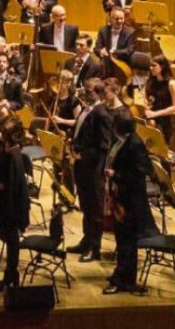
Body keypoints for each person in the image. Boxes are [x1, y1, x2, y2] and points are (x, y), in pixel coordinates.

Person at [103, 113, 156, 294]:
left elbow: (140, 173)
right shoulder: (121, 140)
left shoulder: (135, 144)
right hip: (120, 197)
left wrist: (115, 174)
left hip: (131, 201)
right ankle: (122, 276)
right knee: (122, 239)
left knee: (127, 241)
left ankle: (125, 280)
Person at [69, 78, 113, 262]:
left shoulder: (102, 113)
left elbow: (104, 146)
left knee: (95, 210)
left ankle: (94, 248)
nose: (86, 93)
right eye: (86, 89)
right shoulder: (86, 109)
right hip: (82, 166)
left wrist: (83, 155)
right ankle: (86, 241)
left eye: (90, 91)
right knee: (85, 206)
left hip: (93, 169)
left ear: (99, 93)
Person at [0, 117, 30, 292]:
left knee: (12, 242)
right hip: (6, 203)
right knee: (10, 242)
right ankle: (10, 276)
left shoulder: (14, 155)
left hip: (11, 206)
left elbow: (11, 184)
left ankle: (11, 276)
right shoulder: (9, 150)